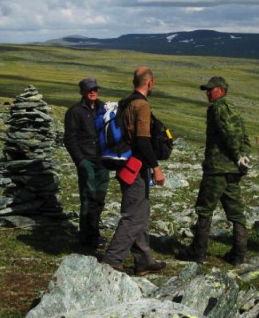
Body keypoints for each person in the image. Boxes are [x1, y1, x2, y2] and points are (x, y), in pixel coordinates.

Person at [176, 76, 251, 265]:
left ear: (222, 90)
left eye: (211, 89)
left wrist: (236, 154)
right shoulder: (233, 109)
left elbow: (229, 134)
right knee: (236, 211)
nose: (208, 92)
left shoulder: (218, 108)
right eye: (207, 90)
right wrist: (244, 156)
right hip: (232, 170)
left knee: (205, 209)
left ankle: (198, 252)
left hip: (217, 168)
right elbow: (243, 134)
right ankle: (239, 254)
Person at [102, 66, 167, 275]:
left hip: (127, 163)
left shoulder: (126, 102)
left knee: (141, 212)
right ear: (149, 83)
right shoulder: (141, 105)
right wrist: (156, 168)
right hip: (135, 165)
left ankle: (143, 261)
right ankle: (112, 259)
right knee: (133, 215)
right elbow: (142, 140)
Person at [64, 77, 110, 248]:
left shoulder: (104, 109)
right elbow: (69, 139)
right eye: (89, 89)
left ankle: (94, 233)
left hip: (103, 161)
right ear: (82, 92)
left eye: (95, 89)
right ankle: (86, 237)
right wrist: (80, 161)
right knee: (88, 197)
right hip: (87, 161)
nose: (93, 92)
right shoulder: (74, 112)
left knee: (99, 198)